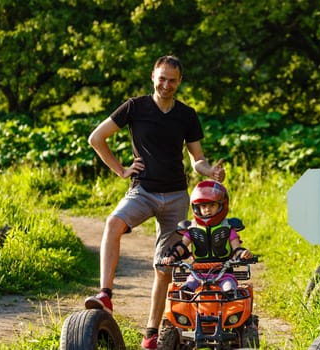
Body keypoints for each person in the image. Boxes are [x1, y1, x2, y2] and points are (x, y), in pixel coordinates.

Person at [85, 55, 225, 349]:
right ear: (153, 77)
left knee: (164, 267)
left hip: (175, 196)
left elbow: (197, 158)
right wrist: (121, 170)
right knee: (113, 222)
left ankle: (150, 334)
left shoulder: (186, 114)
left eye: (172, 80)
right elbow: (96, 138)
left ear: (180, 82)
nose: (166, 85)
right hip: (143, 191)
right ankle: (105, 294)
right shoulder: (135, 107)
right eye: (162, 78)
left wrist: (209, 171)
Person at [161, 180, 253, 294]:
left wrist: (243, 254)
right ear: (196, 207)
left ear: (221, 205)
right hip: (197, 274)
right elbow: (182, 246)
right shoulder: (192, 228)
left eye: (212, 205)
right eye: (203, 206)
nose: (207, 209)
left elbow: (236, 248)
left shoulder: (228, 227)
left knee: (229, 290)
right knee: (186, 290)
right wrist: (172, 257)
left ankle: (231, 310)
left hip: (224, 273)